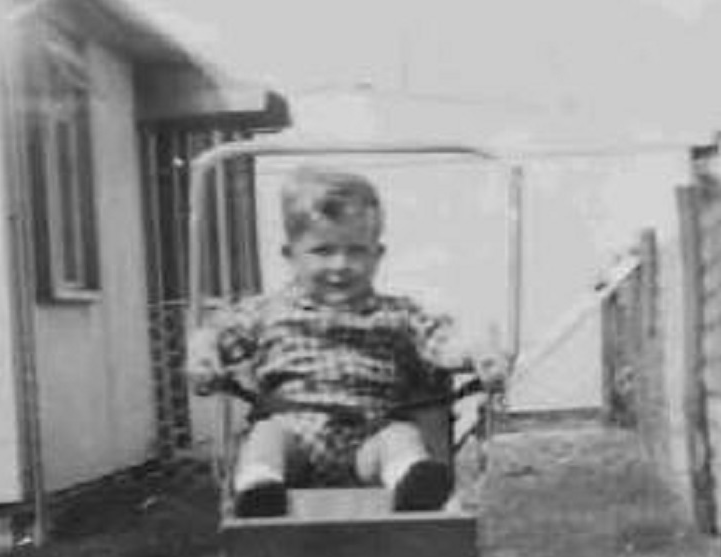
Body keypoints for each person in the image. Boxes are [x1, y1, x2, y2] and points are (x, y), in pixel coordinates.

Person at [187, 163, 501, 516]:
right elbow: (218, 335)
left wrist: (477, 352)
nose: (340, 265)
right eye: (322, 251)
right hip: (293, 434)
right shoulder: (266, 312)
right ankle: (260, 489)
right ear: (290, 256)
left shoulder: (399, 314)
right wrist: (204, 356)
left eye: (356, 251)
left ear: (377, 255)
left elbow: (442, 343)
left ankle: (412, 484)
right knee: (266, 438)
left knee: (401, 437)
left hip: (370, 434)